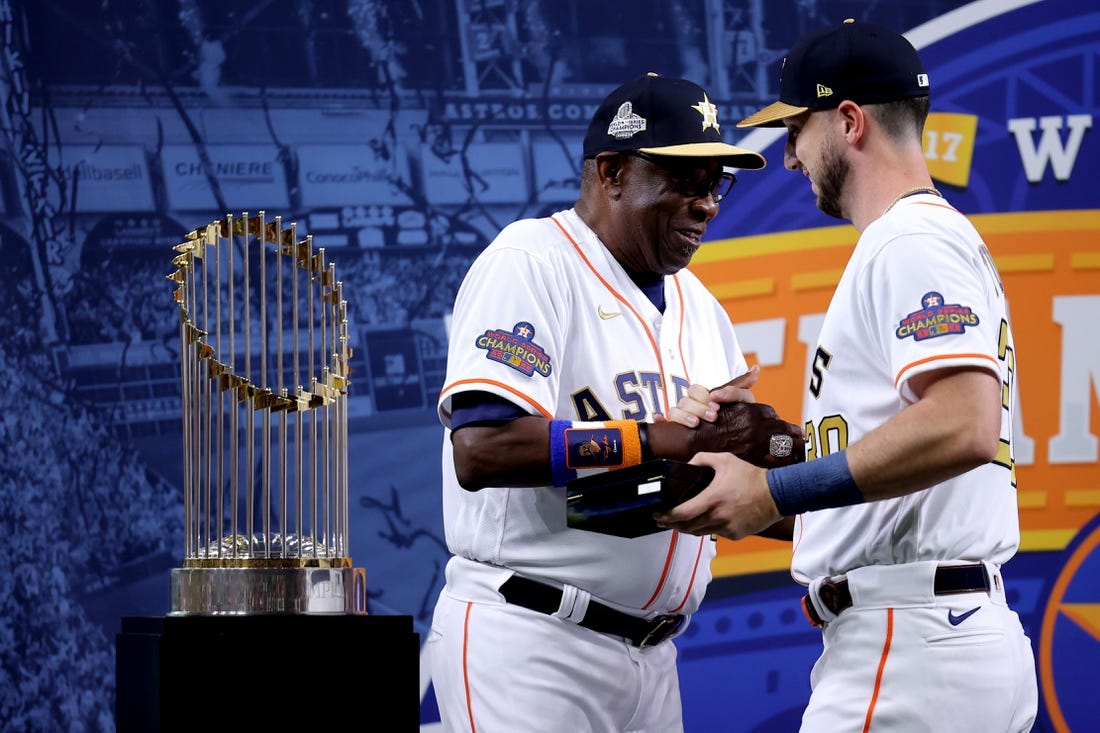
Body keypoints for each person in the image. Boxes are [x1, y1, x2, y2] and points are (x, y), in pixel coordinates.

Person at [656, 19, 1038, 732]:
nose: (793, 158)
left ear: (850, 122)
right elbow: (911, 446)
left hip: (911, 645)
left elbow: (963, 423)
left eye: (797, 129)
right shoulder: (921, 239)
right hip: (937, 633)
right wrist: (765, 448)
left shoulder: (909, 241)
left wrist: (771, 492)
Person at [427, 72, 800, 732]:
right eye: (686, 179)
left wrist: (846, 503)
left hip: (652, 659)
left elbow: (698, 482)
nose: (707, 203)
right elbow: (481, 449)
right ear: (613, 172)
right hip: (532, 641)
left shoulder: (701, 310)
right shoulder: (532, 263)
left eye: (716, 182)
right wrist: (662, 439)